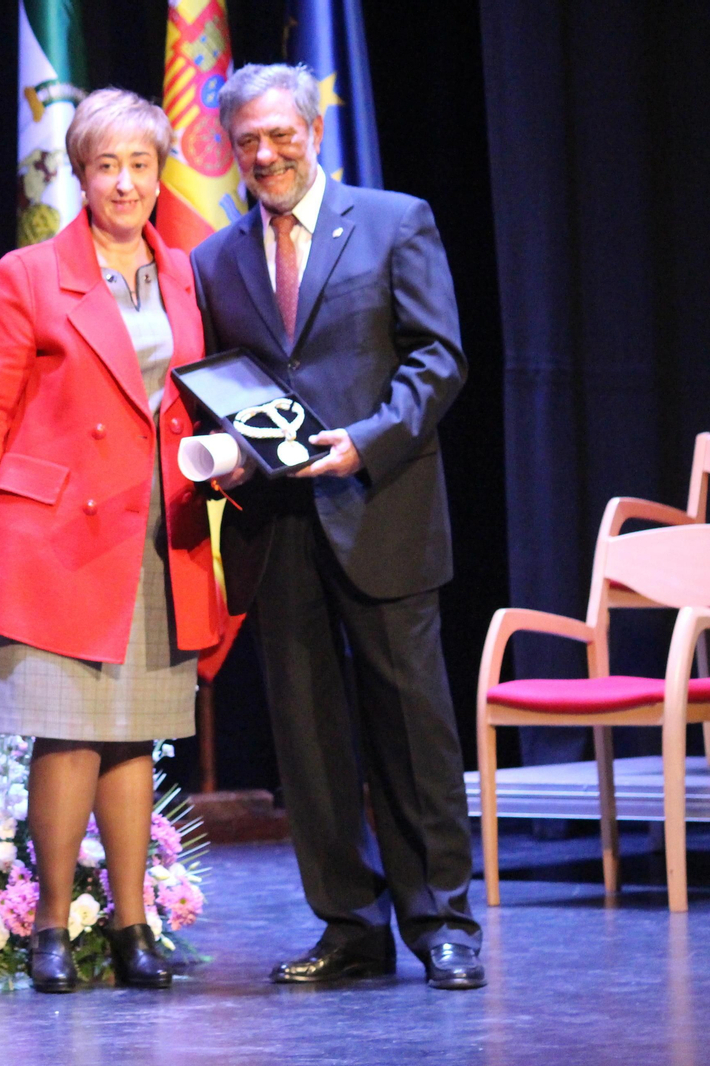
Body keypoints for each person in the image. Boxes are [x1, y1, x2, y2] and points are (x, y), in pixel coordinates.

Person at [189, 63, 484, 990]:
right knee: (308, 741)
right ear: (231, 148)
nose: (265, 154)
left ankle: (442, 922)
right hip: (278, 527)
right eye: (247, 142)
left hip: (382, 508)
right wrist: (231, 448)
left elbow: (440, 358)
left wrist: (366, 442)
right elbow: (222, 386)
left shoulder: (396, 220)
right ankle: (350, 928)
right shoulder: (214, 257)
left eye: (281, 135)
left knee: (412, 727)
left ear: (313, 130)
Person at [0, 88, 224, 993]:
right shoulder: (28, 273)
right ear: (81, 173)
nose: (127, 182)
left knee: (136, 739)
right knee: (64, 738)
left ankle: (135, 929)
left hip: (154, 531)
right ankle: (52, 929)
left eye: (142, 164)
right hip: (54, 535)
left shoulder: (182, 271)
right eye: (108, 165)